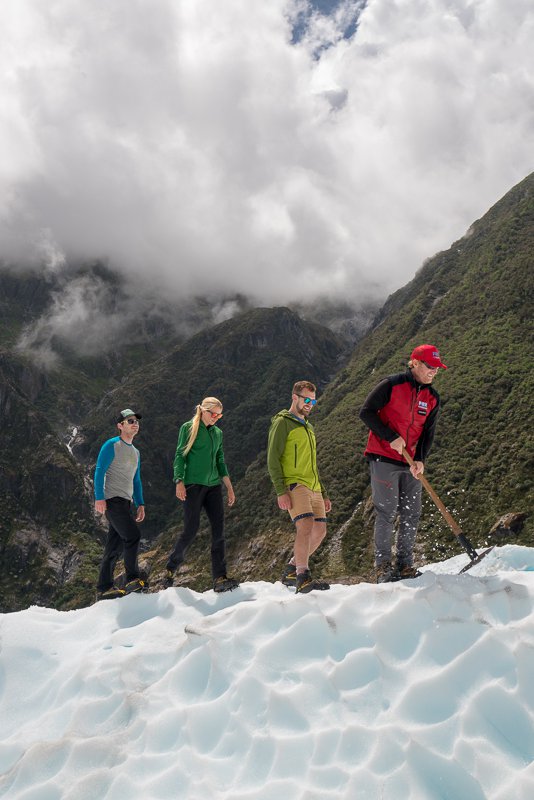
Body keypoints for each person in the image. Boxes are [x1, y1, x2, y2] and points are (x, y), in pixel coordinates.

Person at [359, 344, 448, 583]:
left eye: (437, 368)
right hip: (384, 457)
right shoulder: (392, 384)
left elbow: (427, 433)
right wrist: (390, 437)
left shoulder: (432, 398)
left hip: (410, 464)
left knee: (412, 512)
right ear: (415, 363)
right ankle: (382, 567)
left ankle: (405, 564)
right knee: (387, 511)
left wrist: (420, 459)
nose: (434, 372)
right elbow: (366, 412)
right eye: (430, 367)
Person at [165, 397, 239, 593]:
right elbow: (180, 455)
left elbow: (220, 460)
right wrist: (179, 481)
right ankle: (171, 567)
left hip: (214, 486)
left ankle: (220, 577)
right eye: (213, 413)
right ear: (203, 411)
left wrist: (229, 487)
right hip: (193, 485)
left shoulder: (218, 433)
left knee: (219, 531)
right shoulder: (188, 428)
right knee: (191, 529)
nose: (216, 418)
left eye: (219, 415)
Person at [267, 380, 331, 593]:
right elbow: (273, 458)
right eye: (306, 399)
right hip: (294, 483)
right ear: (295, 397)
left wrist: (324, 493)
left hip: (314, 486)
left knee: (320, 530)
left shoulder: (308, 426)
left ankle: (292, 569)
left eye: (313, 400)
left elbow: (313, 463)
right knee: (305, 525)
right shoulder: (282, 422)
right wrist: (280, 491)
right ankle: (303, 575)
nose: (310, 404)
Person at [94, 408, 147, 599]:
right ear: (120, 426)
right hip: (112, 500)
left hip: (126, 503)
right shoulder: (111, 445)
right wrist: (99, 497)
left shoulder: (136, 452)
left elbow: (137, 480)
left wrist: (140, 503)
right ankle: (132, 579)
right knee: (133, 535)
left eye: (136, 421)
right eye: (130, 421)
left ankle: (103, 588)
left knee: (113, 547)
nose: (135, 424)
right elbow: (99, 471)